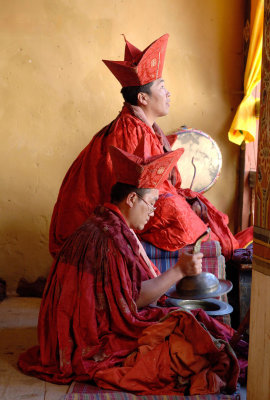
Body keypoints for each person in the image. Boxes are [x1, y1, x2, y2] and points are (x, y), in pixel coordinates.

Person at [18, 142, 239, 395]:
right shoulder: (109, 239)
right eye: (152, 203)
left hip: (60, 337)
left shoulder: (105, 223)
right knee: (186, 348)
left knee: (194, 332)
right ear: (132, 198)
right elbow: (131, 303)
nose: (154, 211)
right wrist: (179, 271)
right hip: (86, 341)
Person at [49, 33, 240, 260]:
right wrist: (183, 208)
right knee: (184, 216)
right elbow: (140, 192)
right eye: (161, 87)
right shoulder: (129, 131)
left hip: (138, 199)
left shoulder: (141, 126)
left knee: (198, 209)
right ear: (143, 98)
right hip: (93, 217)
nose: (168, 93)